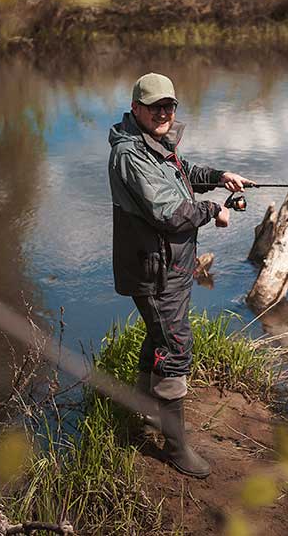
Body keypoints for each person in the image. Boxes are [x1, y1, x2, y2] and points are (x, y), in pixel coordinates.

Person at [108, 72, 252, 478]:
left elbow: (183, 172)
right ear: (136, 108)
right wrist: (215, 210)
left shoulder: (152, 144)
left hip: (168, 265)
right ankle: (175, 449)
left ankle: (146, 413)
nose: (163, 113)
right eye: (155, 107)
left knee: (160, 335)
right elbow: (170, 212)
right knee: (175, 347)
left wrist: (220, 176)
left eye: (169, 106)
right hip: (155, 271)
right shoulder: (130, 155)